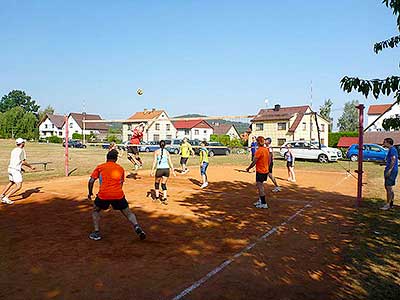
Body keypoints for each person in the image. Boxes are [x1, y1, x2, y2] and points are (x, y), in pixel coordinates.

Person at [87, 149, 146, 241]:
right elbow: (121, 183)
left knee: (95, 210)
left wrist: (90, 193)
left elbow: (91, 181)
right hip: (118, 194)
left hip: (103, 195)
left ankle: (96, 232)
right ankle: (137, 226)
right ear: (116, 159)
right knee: (128, 213)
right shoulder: (120, 169)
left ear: (107, 158)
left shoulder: (100, 167)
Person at [1, 138, 35, 205]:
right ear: (22, 143)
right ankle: (6, 197)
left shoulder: (14, 150)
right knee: (18, 186)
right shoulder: (21, 150)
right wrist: (31, 167)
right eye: (23, 142)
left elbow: (16, 160)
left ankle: (1, 195)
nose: (24, 143)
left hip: (10, 168)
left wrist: (21, 168)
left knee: (11, 182)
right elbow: (23, 161)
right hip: (15, 170)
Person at [246, 136, 270, 209]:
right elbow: (268, 160)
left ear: (258, 142)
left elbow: (254, 162)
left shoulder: (259, 150)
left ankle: (264, 203)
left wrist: (248, 168)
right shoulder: (266, 150)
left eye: (257, 141)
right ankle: (260, 200)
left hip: (261, 171)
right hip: (265, 170)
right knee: (260, 186)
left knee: (260, 187)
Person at [151, 140, 176, 204]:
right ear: (165, 145)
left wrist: (152, 170)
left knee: (157, 183)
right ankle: (164, 198)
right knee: (163, 184)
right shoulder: (167, 152)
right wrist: (173, 170)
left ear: (159, 145)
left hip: (160, 169)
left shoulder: (156, 152)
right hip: (166, 169)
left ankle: (157, 198)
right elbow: (170, 162)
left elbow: (154, 162)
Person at [381, 137, 398, 210]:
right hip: (391, 170)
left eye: (384, 142)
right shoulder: (391, 149)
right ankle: (391, 203)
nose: (383, 143)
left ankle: (388, 205)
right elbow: (391, 160)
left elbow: (393, 160)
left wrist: (389, 170)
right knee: (389, 187)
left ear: (388, 142)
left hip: (391, 171)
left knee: (388, 188)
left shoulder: (392, 149)